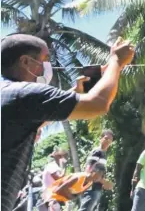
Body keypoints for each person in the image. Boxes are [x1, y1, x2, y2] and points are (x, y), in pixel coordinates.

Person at [1, 34, 134, 211]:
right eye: (45, 60)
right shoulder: (24, 93)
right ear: (25, 61)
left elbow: (38, 121)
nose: (48, 67)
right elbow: (99, 103)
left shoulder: (8, 96)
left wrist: (77, 91)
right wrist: (117, 61)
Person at [41, 161, 107, 211]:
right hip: (51, 199)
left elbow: (77, 195)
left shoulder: (90, 183)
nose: (99, 177)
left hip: (60, 202)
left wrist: (70, 196)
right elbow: (57, 190)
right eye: (98, 174)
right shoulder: (78, 178)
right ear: (92, 171)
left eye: (101, 176)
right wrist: (69, 196)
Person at [79, 130, 115, 211]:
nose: (108, 141)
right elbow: (89, 172)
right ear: (101, 138)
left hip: (96, 188)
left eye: (110, 140)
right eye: (106, 138)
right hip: (91, 188)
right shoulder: (97, 152)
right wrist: (104, 182)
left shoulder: (103, 154)